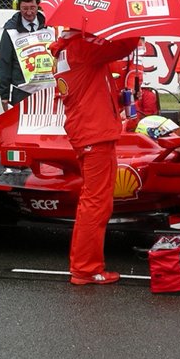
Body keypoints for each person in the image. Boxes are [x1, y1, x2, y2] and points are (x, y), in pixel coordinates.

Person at [50, 30, 140, 285]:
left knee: (96, 201)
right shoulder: (80, 47)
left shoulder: (71, 49)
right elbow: (122, 46)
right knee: (96, 203)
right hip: (94, 133)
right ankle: (86, 269)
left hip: (92, 131)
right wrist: (134, 25)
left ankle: (84, 266)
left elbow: (95, 83)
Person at [0, 0, 51, 110]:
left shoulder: (51, 27)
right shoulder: (10, 31)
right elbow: (4, 63)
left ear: (39, 5)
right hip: (22, 91)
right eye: (24, 8)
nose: (29, 12)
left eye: (32, 7)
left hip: (49, 90)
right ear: (18, 7)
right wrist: (4, 94)